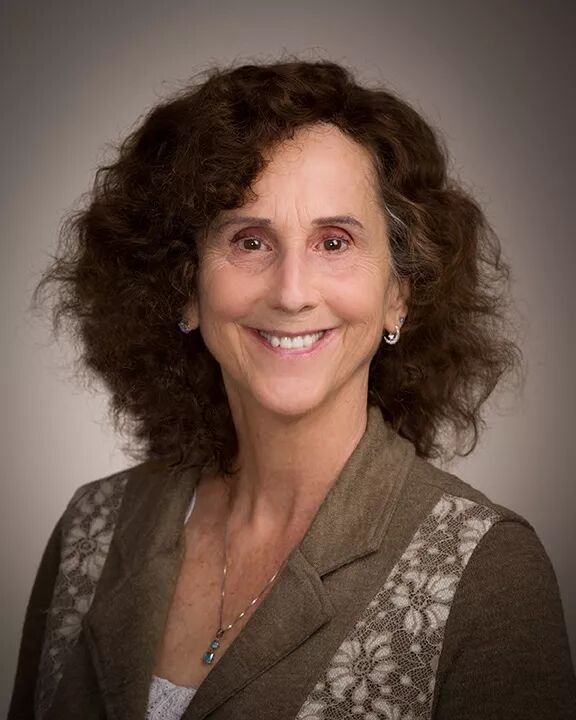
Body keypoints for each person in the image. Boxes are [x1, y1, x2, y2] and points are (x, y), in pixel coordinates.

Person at [8, 58, 576, 720]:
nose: (291, 292)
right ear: (185, 288)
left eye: (334, 242)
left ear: (398, 294)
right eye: (250, 241)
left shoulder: (488, 572)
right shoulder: (91, 529)